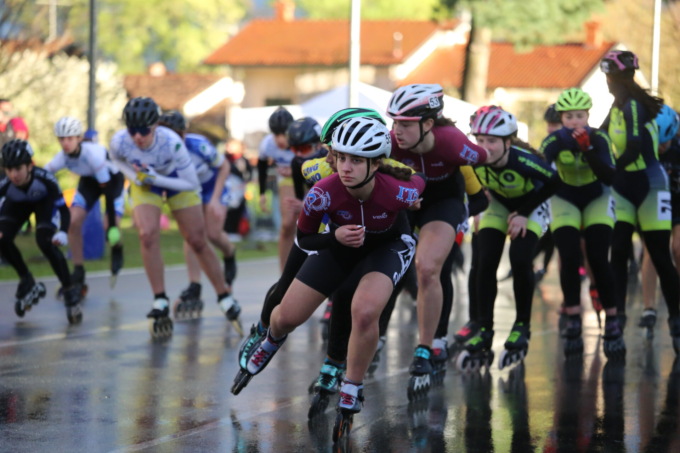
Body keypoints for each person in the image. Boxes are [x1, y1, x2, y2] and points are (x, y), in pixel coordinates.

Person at [241, 117, 424, 432]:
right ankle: (271, 338)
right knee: (287, 316)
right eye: (341, 158)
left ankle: (352, 384)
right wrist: (334, 237)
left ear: (376, 163)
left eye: (356, 160)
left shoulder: (397, 192)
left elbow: (420, 181)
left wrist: (417, 193)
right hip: (339, 244)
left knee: (364, 311)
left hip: (387, 247)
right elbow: (304, 240)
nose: (345, 168)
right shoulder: (322, 192)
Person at [386, 83, 489, 396]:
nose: (397, 130)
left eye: (405, 124)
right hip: (408, 201)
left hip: (445, 201)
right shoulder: (390, 143)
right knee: (391, 268)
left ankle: (429, 345)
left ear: (428, 123)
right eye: (394, 122)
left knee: (430, 268)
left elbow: (489, 158)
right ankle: (373, 336)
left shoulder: (452, 141)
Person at [109, 97, 241, 338]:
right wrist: (135, 177)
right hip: (147, 182)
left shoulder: (172, 142)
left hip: (178, 182)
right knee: (147, 234)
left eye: (144, 131)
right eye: (132, 130)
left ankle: (224, 295)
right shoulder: (119, 141)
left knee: (197, 240)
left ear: (155, 126)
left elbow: (191, 183)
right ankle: (160, 299)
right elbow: (115, 158)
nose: (137, 137)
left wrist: (155, 179)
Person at [457, 107, 560, 371]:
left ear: (508, 142)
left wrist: (523, 213)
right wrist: (476, 207)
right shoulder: (473, 158)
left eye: (491, 141)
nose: (484, 146)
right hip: (498, 203)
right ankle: (485, 328)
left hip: (532, 205)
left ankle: (522, 325)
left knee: (520, 258)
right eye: (480, 140)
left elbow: (554, 182)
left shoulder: (522, 160)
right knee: (484, 261)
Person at [600, 50, 680, 354]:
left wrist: (609, 172)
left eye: (607, 77)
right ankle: (617, 316)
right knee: (619, 249)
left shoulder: (633, 106)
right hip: (625, 186)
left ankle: (675, 318)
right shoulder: (617, 105)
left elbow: (633, 147)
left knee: (659, 253)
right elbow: (601, 137)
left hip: (650, 184)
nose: (606, 82)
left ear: (615, 78)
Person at [540, 88, 620, 356]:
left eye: (579, 116)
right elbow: (539, 171)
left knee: (597, 257)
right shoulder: (553, 141)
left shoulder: (600, 137)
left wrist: (588, 150)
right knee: (569, 255)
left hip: (597, 196)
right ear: (561, 119)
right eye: (569, 117)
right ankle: (573, 313)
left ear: (588, 116)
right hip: (565, 198)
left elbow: (610, 177)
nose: (575, 122)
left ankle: (612, 317)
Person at [158, 110, 237, 319]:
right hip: (190, 190)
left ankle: (229, 251)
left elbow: (224, 166)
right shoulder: (161, 150)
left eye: (179, 134)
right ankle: (194, 283)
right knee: (192, 235)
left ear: (184, 133)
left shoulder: (198, 145)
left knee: (212, 233)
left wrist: (215, 200)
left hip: (212, 187)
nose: (175, 139)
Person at [0, 139, 83, 323]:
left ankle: (69, 288)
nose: (13, 174)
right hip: (17, 205)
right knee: (2, 238)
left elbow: (63, 210)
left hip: (43, 204)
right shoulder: (4, 183)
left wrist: (63, 231)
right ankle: (26, 279)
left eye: (18, 168)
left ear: (30, 165)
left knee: (45, 241)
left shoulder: (46, 180)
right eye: (9, 169)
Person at [45, 117, 126, 290]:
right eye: (61, 139)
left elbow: (107, 191)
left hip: (111, 182)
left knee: (109, 226)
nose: (65, 143)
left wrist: (112, 225)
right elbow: (43, 174)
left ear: (79, 138)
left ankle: (117, 248)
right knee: (72, 222)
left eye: (70, 139)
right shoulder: (62, 157)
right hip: (89, 182)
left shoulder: (92, 155)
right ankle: (78, 269)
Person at [639, 105, 680, 336]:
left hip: (678, 201)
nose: (661, 148)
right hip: (654, 200)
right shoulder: (645, 148)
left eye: (666, 142)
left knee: (678, 249)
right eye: (658, 142)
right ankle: (649, 308)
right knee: (652, 250)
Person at [258, 107, 296, 271]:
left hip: (307, 177)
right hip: (287, 180)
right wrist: (262, 193)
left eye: (284, 134)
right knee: (287, 224)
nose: (280, 139)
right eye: (276, 134)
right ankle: (285, 273)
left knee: (311, 224)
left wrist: (295, 170)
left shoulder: (300, 138)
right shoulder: (267, 144)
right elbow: (262, 166)